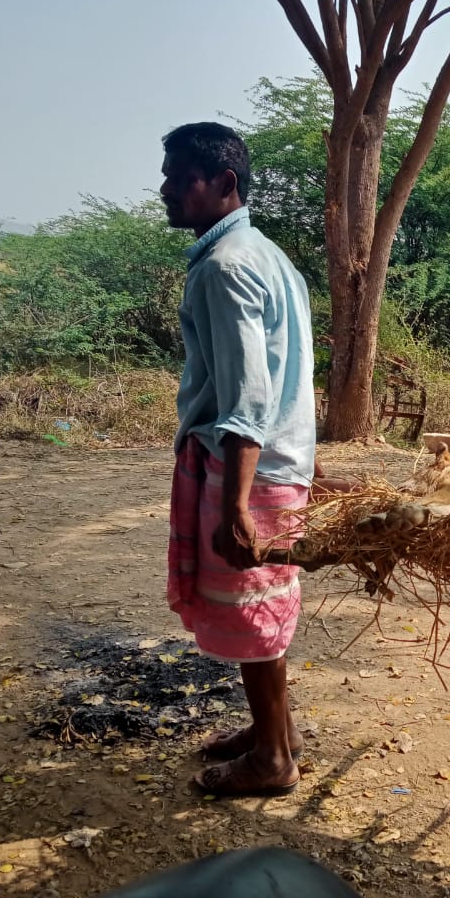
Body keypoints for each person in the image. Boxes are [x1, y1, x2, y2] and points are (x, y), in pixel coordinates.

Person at [161, 122, 316, 798]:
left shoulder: (227, 268)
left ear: (223, 185)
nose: (166, 189)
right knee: (267, 607)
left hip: (247, 471)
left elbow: (249, 396)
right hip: (275, 461)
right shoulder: (263, 254)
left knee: (255, 611)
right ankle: (270, 732)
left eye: (180, 178)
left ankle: (273, 761)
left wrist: (234, 506)